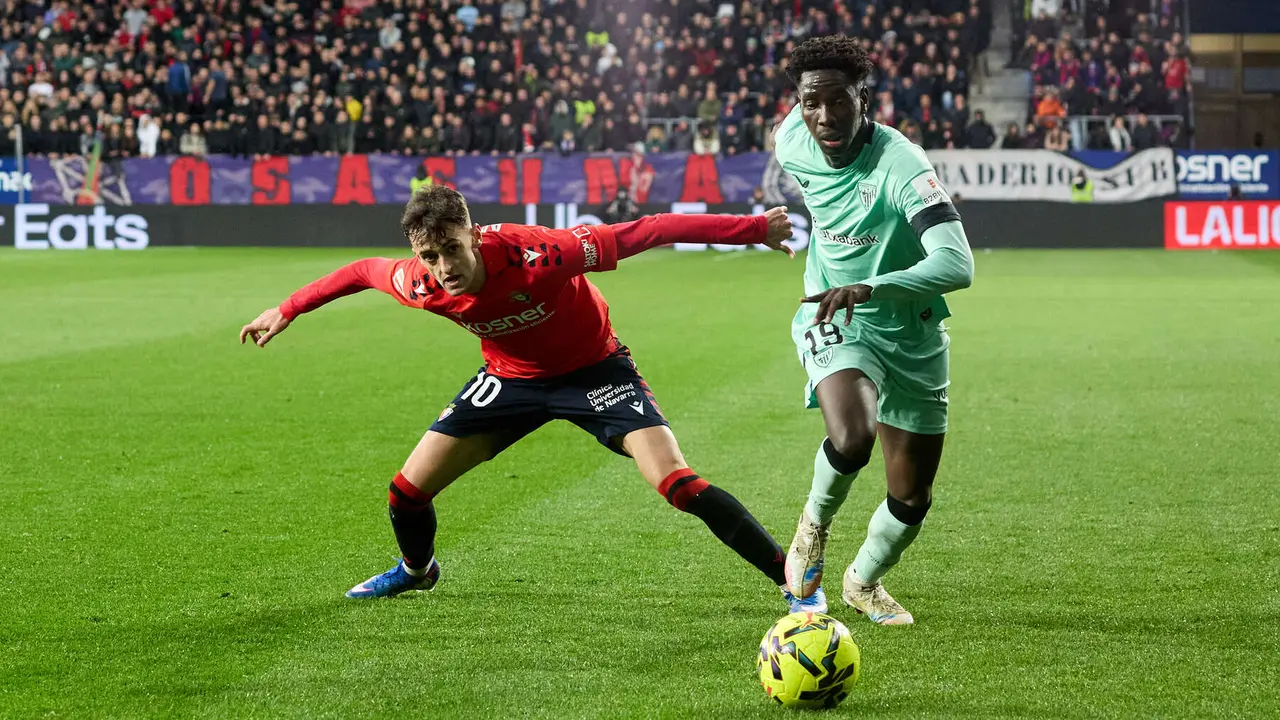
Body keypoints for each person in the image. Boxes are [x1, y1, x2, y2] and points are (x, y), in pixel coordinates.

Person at [238, 187, 824, 612]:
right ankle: (418, 571)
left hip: (597, 372)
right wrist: (287, 309)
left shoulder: (537, 254)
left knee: (678, 484)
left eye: (451, 250)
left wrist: (753, 229)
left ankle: (795, 583)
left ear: (473, 233)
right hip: (511, 381)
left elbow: (647, 231)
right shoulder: (420, 283)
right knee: (406, 493)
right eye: (429, 257)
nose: (443, 269)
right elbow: (362, 271)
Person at [772, 36, 975, 625]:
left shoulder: (901, 164)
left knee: (912, 495)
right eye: (812, 102)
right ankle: (813, 525)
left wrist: (873, 284)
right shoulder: (792, 138)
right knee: (853, 435)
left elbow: (957, 263)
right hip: (834, 315)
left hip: (909, 326)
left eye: (839, 101)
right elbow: (793, 126)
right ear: (799, 103)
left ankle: (863, 581)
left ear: (864, 98)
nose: (825, 118)